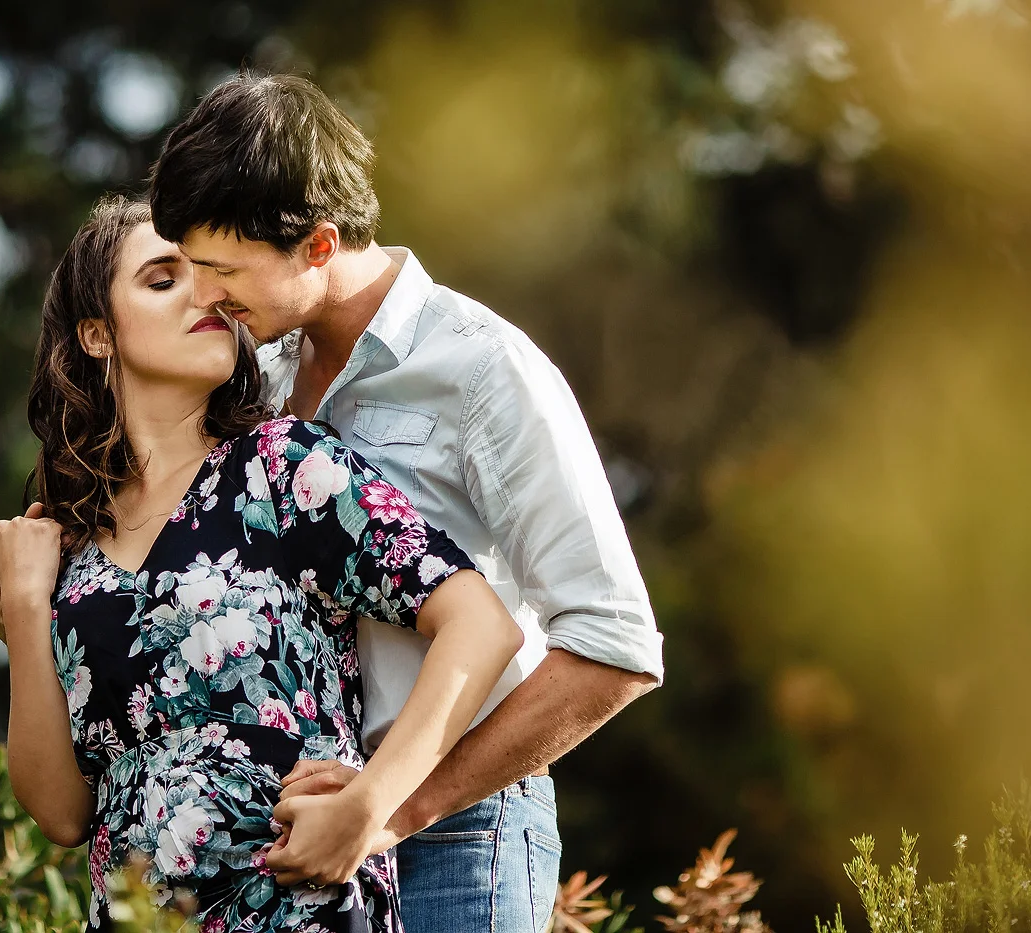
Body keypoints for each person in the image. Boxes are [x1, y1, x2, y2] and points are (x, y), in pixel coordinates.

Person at [148, 74, 665, 932]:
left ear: (318, 244)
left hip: (461, 838)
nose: (205, 297)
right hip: (288, 844)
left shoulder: (484, 370)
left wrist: (393, 808)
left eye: (222, 270)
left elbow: (615, 644)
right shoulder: (257, 380)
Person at [0, 195, 523, 931]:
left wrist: (374, 804)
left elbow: (481, 624)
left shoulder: (281, 467)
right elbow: (62, 811)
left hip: (302, 912)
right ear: (96, 333)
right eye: (162, 278)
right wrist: (23, 606)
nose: (205, 294)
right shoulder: (67, 556)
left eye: (207, 274)